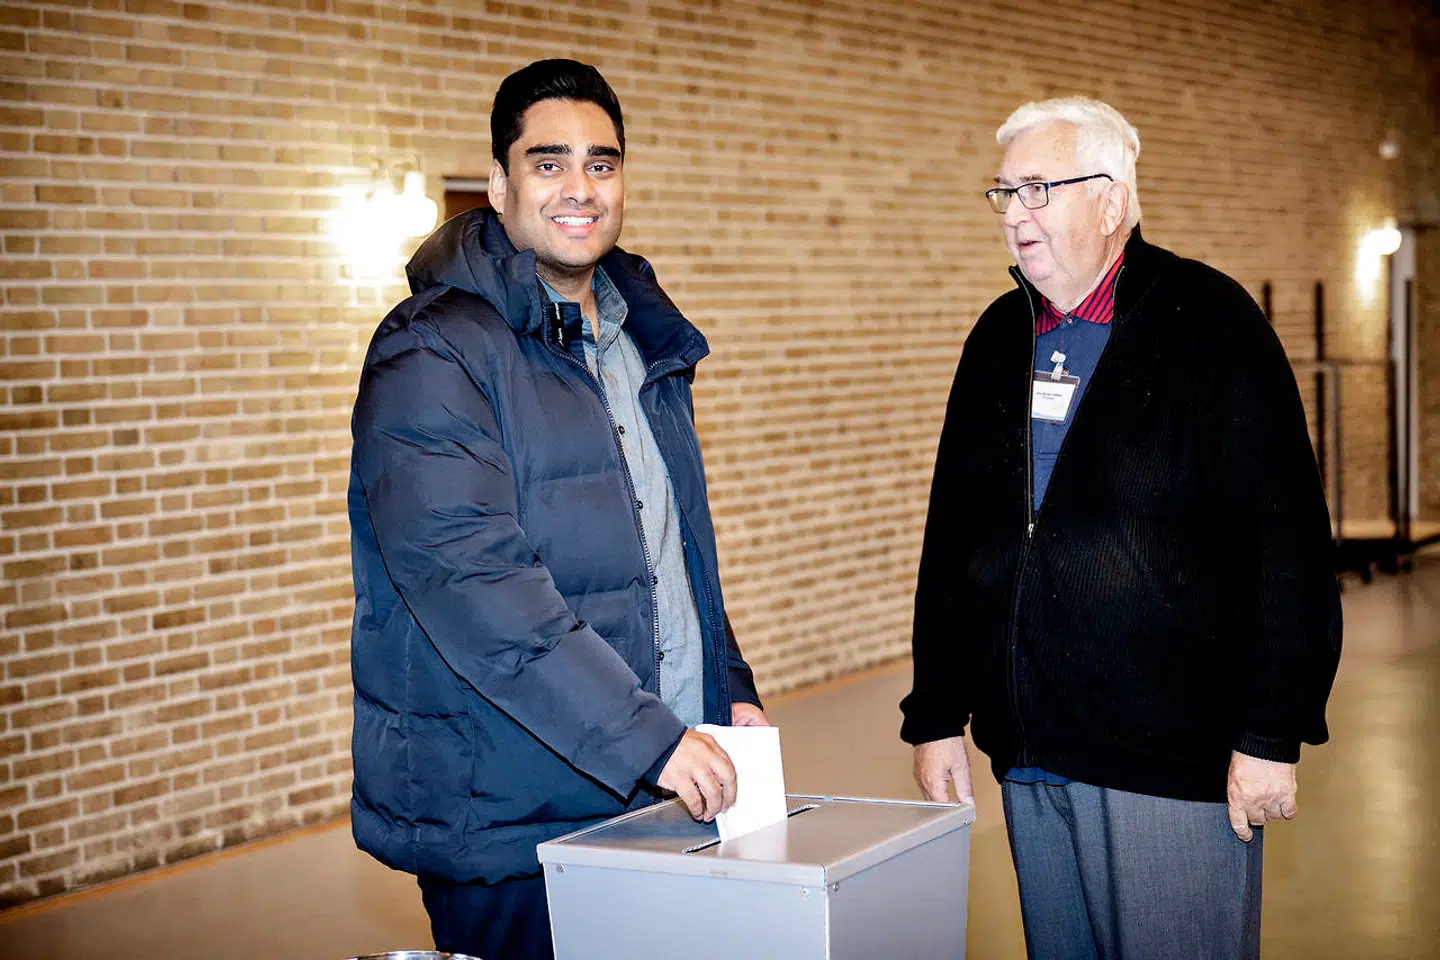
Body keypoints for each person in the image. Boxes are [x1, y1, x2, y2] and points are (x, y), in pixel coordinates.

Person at [901, 97, 1342, 959]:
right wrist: (936, 714)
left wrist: (1269, 731)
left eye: (1037, 188)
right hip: (1030, 755)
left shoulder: (1209, 322)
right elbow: (953, 543)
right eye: (1004, 193)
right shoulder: (998, 338)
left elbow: (1285, 542)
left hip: (1170, 765)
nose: (1015, 214)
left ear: (1111, 199)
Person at [347, 59, 767, 960]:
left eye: (602, 164)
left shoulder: (637, 339)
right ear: (499, 184)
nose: (580, 188)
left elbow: (671, 546)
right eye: (549, 162)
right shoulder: (432, 352)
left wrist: (727, 688)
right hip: (512, 814)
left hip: (651, 784)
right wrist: (645, 737)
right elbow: (474, 583)